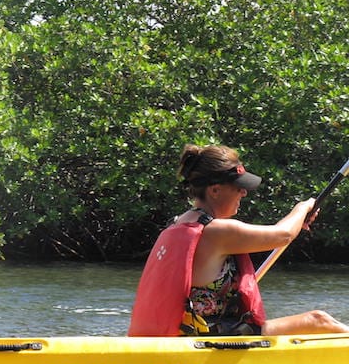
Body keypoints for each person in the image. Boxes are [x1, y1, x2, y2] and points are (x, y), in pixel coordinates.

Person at [129, 143, 349, 337]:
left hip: (189, 334)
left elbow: (283, 230)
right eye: (239, 187)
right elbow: (283, 235)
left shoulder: (177, 225)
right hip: (208, 341)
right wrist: (303, 207)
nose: (244, 193)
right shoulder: (217, 232)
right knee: (319, 321)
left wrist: (296, 219)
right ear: (215, 190)